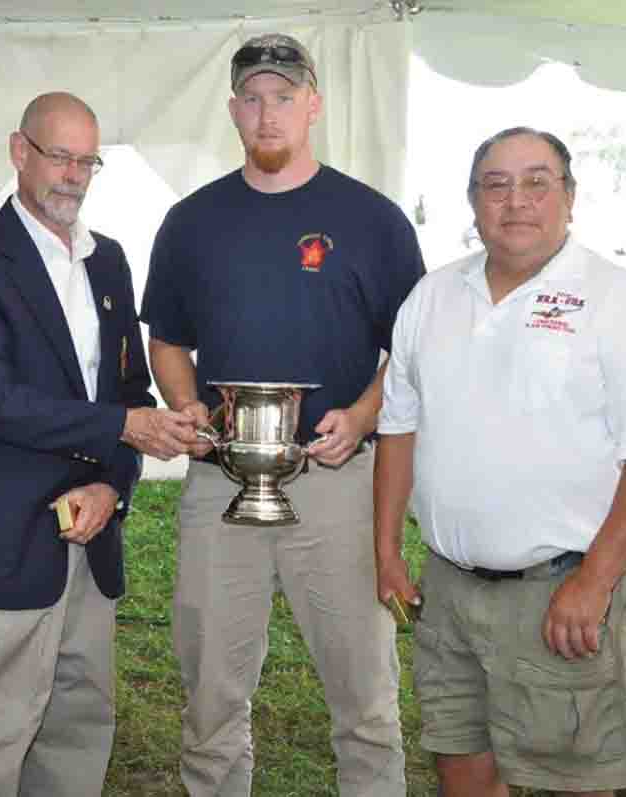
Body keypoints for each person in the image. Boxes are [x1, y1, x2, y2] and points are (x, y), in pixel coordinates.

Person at [373, 127, 626, 797]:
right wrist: (385, 550)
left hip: (561, 593)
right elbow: (398, 426)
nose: (515, 201)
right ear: (473, 202)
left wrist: (595, 579)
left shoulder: (617, 299)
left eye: (536, 182)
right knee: (462, 769)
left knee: (576, 783)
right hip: (450, 589)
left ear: (569, 197)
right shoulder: (432, 298)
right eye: (496, 184)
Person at [140, 33, 424, 796]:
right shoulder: (191, 222)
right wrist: (186, 402)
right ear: (233, 109)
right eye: (254, 99)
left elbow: (413, 349)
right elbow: (166, 337)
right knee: (210, 698)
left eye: (285, 97)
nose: (269, 115)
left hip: (336, 481)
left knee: (365, 701)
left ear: (314, 106)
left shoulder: (374, 221)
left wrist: (364, 414)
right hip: (219, 482)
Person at [0, 91, 196, 797]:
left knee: (81, 718)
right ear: (20, 152)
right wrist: (121, 428)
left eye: (87, 160)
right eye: (59, 156)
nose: (73, 174)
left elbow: (129, 393)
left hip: (92, 533)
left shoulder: (109, 262)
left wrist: (115, 482)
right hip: (9, 538)